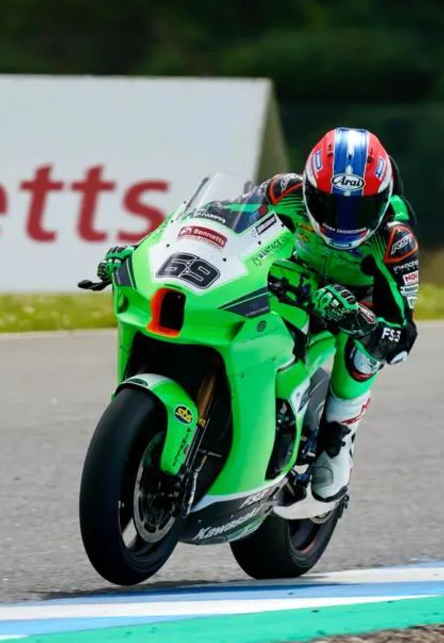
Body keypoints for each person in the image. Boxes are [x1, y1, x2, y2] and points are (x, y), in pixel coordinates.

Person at [97, 127, 420, 518]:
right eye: (330, 205)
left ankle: (338, 436)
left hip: (356, 305)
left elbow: (400, 338)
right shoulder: (286, 191)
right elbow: (216, 221)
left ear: (382, 200)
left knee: (360, 355)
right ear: (310, 189)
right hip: (295, 280)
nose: (343, 222)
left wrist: (356, 316)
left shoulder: (394, 242)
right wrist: (140, 254)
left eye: (359, 209)